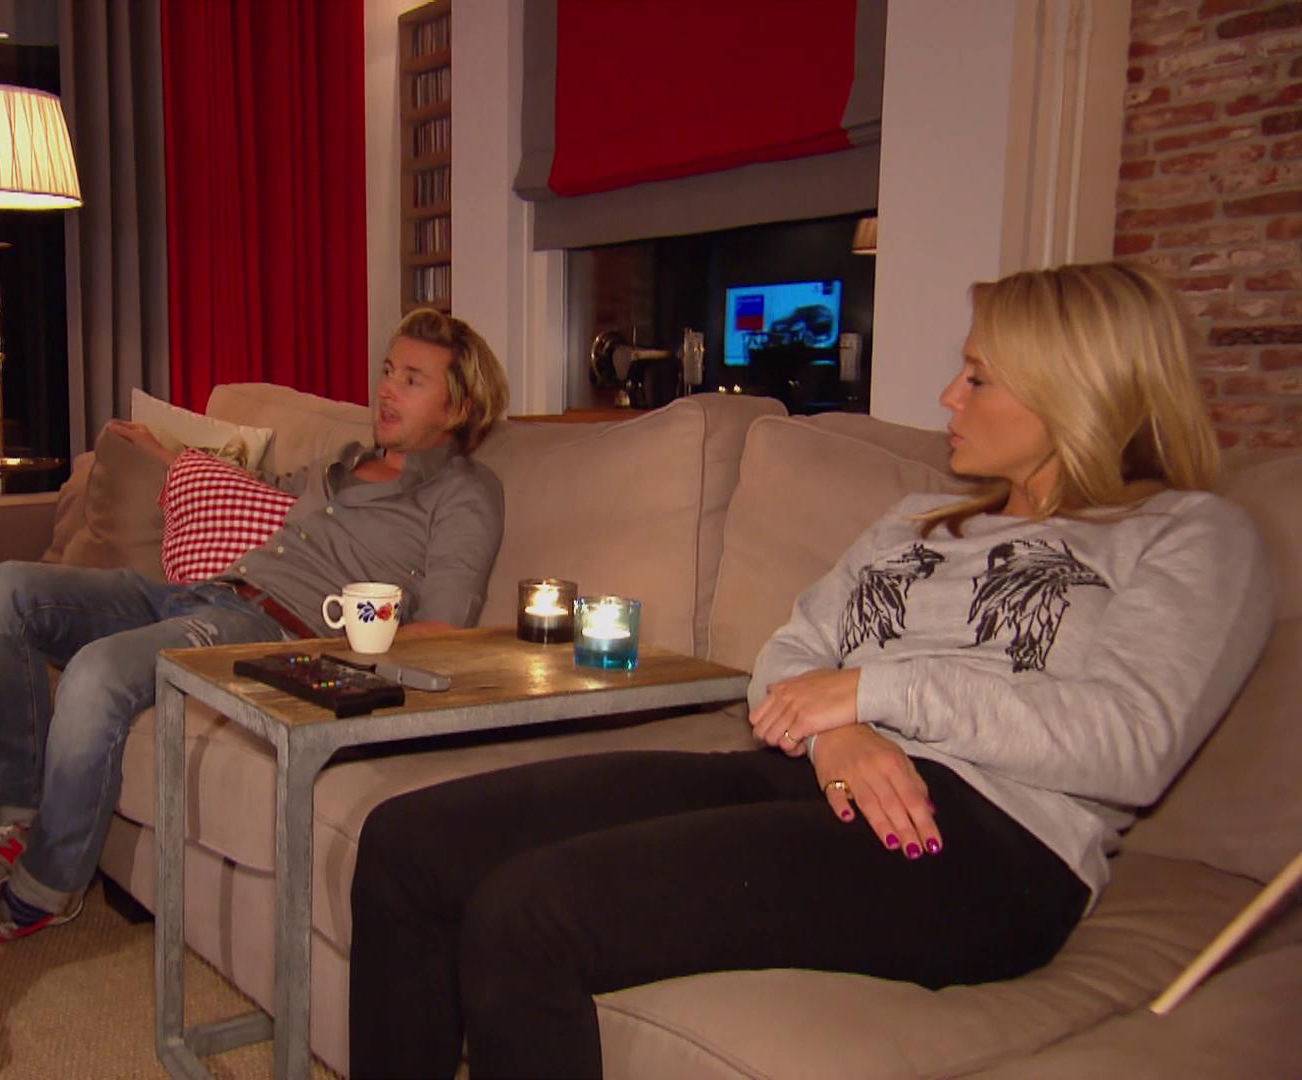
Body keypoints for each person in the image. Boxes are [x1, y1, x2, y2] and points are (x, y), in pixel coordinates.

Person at [345, 261, 1276, 1079]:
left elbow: (1130, 743)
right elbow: (789, 655)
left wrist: (872, 693)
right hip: (806, 768)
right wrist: (840, 734)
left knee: (529, 915)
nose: (949, 396)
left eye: (979, 376)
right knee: (408, 843)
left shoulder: (1188, 535)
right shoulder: (917, 519)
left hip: (983, 842)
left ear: (1076, 391)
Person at [0, 308, 511, 941]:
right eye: (387, 370)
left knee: (97, 672)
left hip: (270, 633)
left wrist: (350, 652)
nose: (386, 390)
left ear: (458, 406)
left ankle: (43, 893)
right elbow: (254, 486)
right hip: (204, 595)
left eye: (412, 379)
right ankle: (15, 816)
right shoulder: (345, 462)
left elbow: (445, 630)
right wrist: (168, 455)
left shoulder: (465, 492)